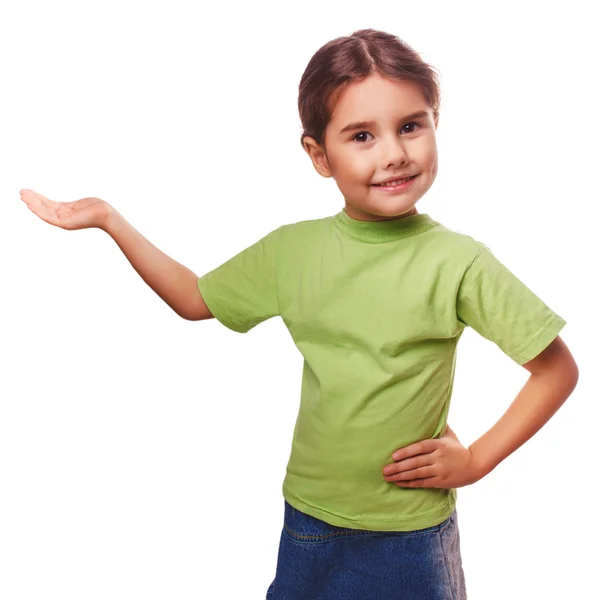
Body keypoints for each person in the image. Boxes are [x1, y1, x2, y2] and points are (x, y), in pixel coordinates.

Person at [20, 27, 579, 600]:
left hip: (408, 535)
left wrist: (478, 460)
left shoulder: (460, 262)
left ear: (436, 122)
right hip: (308, 521)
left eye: (411, 125)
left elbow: (556, 370)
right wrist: (110, 220)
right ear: (319, 155)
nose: (394, 153)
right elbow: (194, 299)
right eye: (362, 135)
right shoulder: (292, 251)